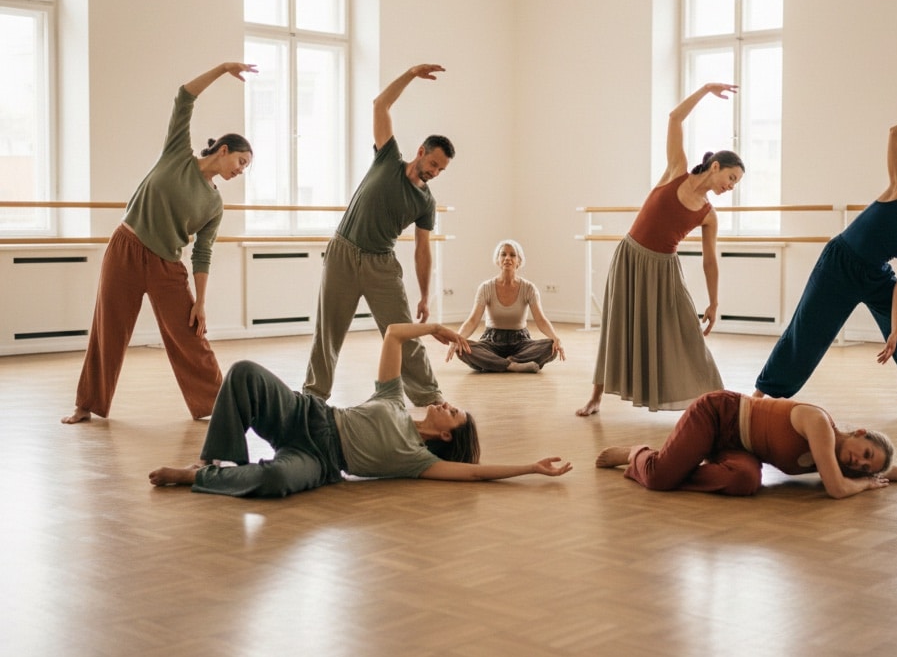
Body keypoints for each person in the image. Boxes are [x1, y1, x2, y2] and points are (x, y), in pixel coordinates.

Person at [149, 322, 573, 497]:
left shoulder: (418, 461)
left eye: (453, 411)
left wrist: (532, 468)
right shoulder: (393, 399)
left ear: (446, 435)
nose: (446, 402)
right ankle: (213, 460)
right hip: (306, 414)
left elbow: (476, 473)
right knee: (243, 372)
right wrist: (434, 329)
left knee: (276, 480)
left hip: (320, 460)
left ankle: (199, 477)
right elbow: (393, 336)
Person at [62, 62, 257, 424]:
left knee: (191, 335)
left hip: (166, 265)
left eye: (245, 167)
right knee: (108, 328)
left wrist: (201, 302)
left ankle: (220, 407)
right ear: (224, 150)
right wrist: (223, 69)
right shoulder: (177, 153)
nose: (240, 170)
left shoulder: (214, 204)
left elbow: (202, 253)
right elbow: (185, 97)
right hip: (125, 249)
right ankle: (86, 405)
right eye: (241, 161)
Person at [754, 109, 897, 420]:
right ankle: (761, 394)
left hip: (875, 277)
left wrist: (895, 331)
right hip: (838, 266)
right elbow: (896, 134)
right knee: (808, 332)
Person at [577, 83, 745, 416]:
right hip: (630, 258)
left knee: (687, 331)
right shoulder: (676, 170)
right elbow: (674, 118)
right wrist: (706, 89)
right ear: (715, 166)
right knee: (616, 326)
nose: (731, 186)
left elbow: (710, 262)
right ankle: (595, 397)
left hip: (664, 269)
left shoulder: (708, 215)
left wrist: (714, 302)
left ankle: (717, 405)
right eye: (731, 177)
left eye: (736, 183)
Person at [304, 64, 454, 408]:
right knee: (328, 331)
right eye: (433, 164)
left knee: (404, 333)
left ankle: (429, 396)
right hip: (343, 253)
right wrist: (411, 74)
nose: (435, 172)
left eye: (441, 170)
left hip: (381, 266)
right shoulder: (387, 159)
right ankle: (313, 396)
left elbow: (422, 250)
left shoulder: (426, 202)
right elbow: (380, 105)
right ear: (421, 152)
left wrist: (425, 295)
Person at [595, 389, 897, 499]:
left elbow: (884, 471)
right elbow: (838, 490)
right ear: (859, 433)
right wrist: (863, 485)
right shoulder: (820, 425)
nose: (859, 463)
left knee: (745, 482)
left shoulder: (836, 461)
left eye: (863, 467)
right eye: (865, 454)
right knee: (660, 479)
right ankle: (638, 455)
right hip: (718, 415)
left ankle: (679, 463)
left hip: (739, 449)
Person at [446, 239, 564, 373]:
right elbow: (472, 321)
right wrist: (457, 339)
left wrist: (556, 338)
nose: (507, 258)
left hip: (521, 343)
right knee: (461, 348)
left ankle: (496, 364)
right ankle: (513, 365)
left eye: (512, 255)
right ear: (498, 260)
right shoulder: (486, 288)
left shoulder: (529, 288)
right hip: (491, 342)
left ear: (519, 261)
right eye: (503, 254)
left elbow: (541, 320)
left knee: (551, 347)